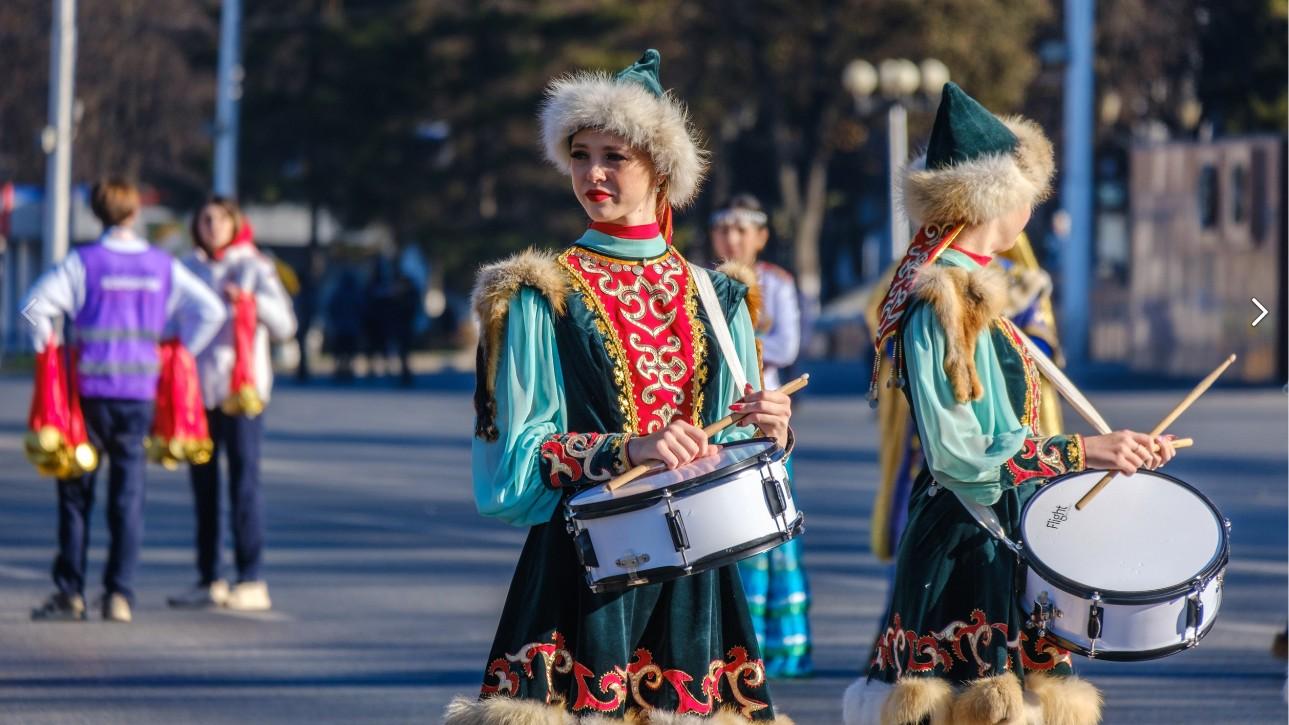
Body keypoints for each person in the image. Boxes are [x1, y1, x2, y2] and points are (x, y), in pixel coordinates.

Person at [444, 50, 795, 724]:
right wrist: (630, 446)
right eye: (580, 154)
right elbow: (520, 460)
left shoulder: (718, 292)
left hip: (696, 578)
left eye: (615, 156)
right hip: (585, 570)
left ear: (660, 168)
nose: (593, 173)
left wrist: (771, 428)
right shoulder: (540, 292)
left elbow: (736, 447)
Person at [842, 84, 1176, 725]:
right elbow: (959, 454)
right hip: (964, 545)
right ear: (999, 196)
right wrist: (1080, 450)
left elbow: (1007, 433)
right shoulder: (941, 302)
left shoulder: (980, 293)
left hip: (1006, 538)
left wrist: (1113, 451)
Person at [25, 178, 225, 623]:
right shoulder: (161, 265)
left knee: (76, 495)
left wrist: (47, 343)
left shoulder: (84, 263)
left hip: (89, 395)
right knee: (128, 496)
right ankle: (119, 593)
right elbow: (211, 309)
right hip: (139, 395)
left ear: (97, 213)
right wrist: (181, 351)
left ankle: (70, 591)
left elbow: (30, 304)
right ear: (135, 213)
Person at [866, 230, 1065, 563]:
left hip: (1000, 422)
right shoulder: (917, 273)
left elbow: (1040, 349)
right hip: (941, 422)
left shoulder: (1022, 282)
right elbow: (889, 338)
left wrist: (994, 346)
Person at [167, 197, 297, 611]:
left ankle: (251, 578)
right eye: (205, 218)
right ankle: (209, 578)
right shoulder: (185, 269)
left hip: (244, 395)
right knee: (203, 487)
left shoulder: (255, 266)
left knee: (244, 484)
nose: (212, 225)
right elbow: (168, 322)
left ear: (234, 222)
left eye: (220, 218)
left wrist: (250, 303)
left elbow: (286, 325)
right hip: (197, 394)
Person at [710, 194, 811, 678]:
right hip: (720, 420)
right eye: (725, 229)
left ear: (761, 237)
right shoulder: (704, 283)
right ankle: (730, 643)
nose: (733, 238)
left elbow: (788, 344)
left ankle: (782, 648)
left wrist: (740, 340)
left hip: (766, 422)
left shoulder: (776, 282)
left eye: (742, 230)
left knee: (774, 530)